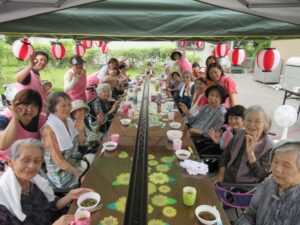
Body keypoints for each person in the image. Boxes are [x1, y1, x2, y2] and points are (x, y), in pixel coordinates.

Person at [0, 138, 93, 225]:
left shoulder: (34, 181)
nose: (32, 166)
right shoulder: (3, 200)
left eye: (37, 161)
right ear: (10, 163)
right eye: (26, 160)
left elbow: (51, 208)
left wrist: (70, 195)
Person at [235, 140, 300, 225]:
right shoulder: (267, 184)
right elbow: (250, 215)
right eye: (275, 161)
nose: (277, 169)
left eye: (286, 165)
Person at [42, 92, 94, 188]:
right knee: (92, 181)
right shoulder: (49, 129)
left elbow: (82, 144)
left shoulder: (68, 121)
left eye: (69, 105)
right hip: (61, 174)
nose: (68, 108)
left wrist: (81, 130)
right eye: (63, 105)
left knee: (96, 164)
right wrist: (78, 173)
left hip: (74, 162)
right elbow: (58, 161)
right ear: (53, 107)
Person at [211, 105, 273, 184]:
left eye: (257, 121)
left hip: (244, 187)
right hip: (225, 178)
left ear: (265, 124)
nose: (251, 124)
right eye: (248, 120)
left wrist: (251, 155)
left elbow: (260, 174)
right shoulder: (240, 134)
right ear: (244, 121)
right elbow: (225, 155)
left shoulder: (269, 146)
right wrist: (221, 173)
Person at [0, 89, 46, 167]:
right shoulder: (4, 118)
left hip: (30, 161)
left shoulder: (41, 119)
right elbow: (3, 145)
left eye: (34, 106)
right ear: (15, 105)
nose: (29, 110)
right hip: (7, 163)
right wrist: (15, 119)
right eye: (26, 105)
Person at [183, 85, 226, 150]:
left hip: (200, 140)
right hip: (191, 132)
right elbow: (193, 120)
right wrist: (187, 113)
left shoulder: (221, 114)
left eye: (217, 96)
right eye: (211, 95)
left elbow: (213, 134)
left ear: (221, 99)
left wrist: (196, 131)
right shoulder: (205, 107)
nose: (213, 98)